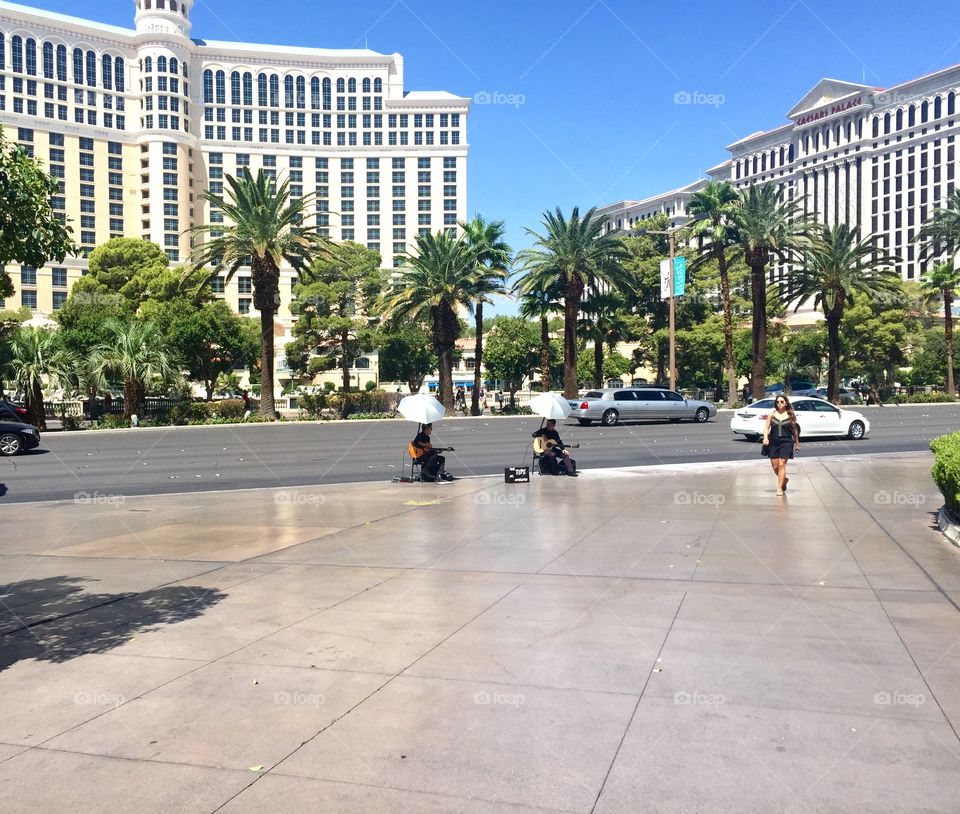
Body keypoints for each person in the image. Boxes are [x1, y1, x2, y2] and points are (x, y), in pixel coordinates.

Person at [762, 394, 800, 496]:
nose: (779, 403)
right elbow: (766, 428)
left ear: (786, 403)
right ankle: (784, 479)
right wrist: (765, 438)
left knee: (782, 464)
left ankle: (779, 488)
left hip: (786, 442)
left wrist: (797, 443)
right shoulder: (772, 415)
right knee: (775, 466)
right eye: (778, 402)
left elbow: (795, 431)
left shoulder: (790, 415)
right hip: (773, 442)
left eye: (782, 401)